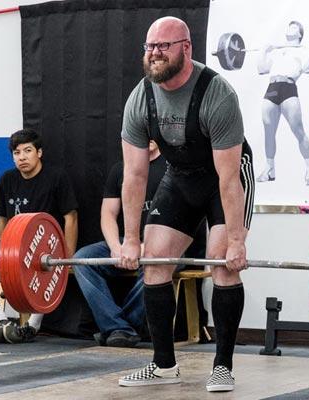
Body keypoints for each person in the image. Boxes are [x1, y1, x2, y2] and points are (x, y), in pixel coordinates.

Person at [116, 16, 254, 392]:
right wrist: (131, 239)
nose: (154, 54)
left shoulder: (217, 94)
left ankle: (223, 366)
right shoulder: (140, 98)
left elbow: (227, 180)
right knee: (155, 262)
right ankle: (163, 365)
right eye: (150, 47)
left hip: (223, 178)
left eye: (163, 46)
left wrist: (238, 243)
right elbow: (135, 177)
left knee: (222, 265)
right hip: (180, 177)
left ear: (186, 48)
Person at [0, 128, 78, 344]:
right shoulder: (7, 179)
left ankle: (32, 326)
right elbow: (1, 219)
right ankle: (0, 319)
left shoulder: (56, 177)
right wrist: (7, 250)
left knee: (41, 267)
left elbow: (70, 217)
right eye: (17, 153)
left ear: (39, 153)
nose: (22, 157)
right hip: (13, 245)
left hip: (46, 248)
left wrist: (67, 256)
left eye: (28, 151)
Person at [73, 140, 166, 348]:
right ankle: (119, 328)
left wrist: (147, 247)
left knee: (156, 264)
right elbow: (108, 213)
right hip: (128, 241)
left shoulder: (172, 167)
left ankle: (119, 328)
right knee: (83, 259)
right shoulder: (120, 169)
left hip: (166, 243)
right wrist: (115, 247)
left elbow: (183, 216)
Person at [256, 21, 309, 185]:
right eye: (289, 26)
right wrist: (263, 51)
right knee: (268, 129)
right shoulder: (278, 51)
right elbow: (261, 69)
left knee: (298, 130)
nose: (290, 28)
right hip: (272, 87)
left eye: (294, 27)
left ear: (299, 34)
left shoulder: (302, 50)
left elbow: (307, 68)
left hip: (288, 88)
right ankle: (270, 169)